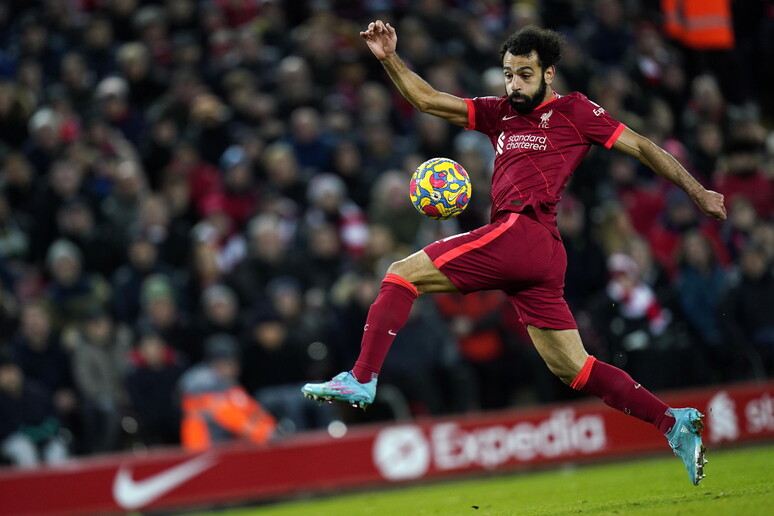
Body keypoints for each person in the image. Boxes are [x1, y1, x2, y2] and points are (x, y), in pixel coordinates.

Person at [302, 22, 727, 486]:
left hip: (522, 231)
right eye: (508, 75)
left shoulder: (575, 111)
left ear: (549, 73)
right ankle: (673, 422)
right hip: (536, 254)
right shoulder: (497, 113)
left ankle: (362, 377)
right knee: (575, 368)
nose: (514, 84)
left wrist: (698, 189)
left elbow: (643, 147)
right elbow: (427, 99)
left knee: (401, 274)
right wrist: (388, 58)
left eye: (524, 75)